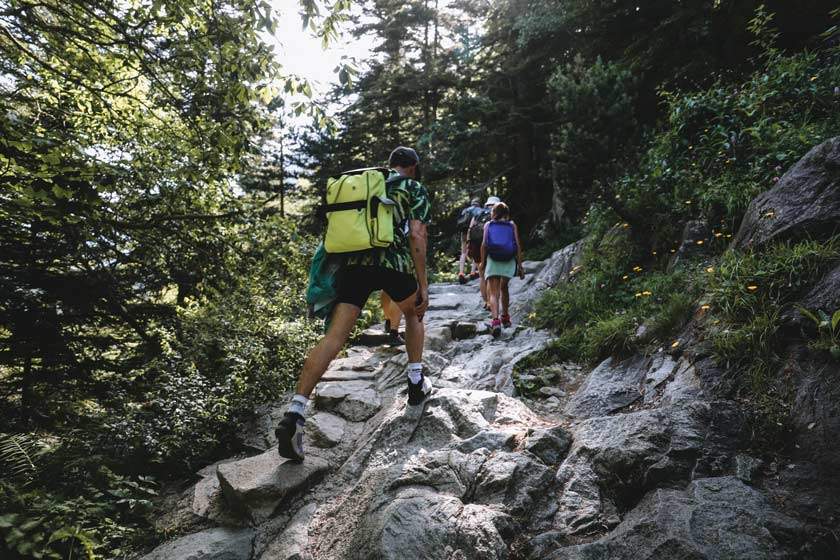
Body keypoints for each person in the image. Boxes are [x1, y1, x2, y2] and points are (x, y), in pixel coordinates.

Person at [275, 146, 432, 462]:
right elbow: (416, 235)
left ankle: (295, 412)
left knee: (334, 338)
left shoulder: (367, 183)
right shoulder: (413, 187)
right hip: (394, 263)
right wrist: (422, 283)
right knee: (415, 313)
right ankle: (416, 382)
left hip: (354, 266)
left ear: (389, 165)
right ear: (413, 167)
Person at [480, 202, 524, 338]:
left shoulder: (488, 225)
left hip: (493, 260)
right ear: (506, 213)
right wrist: (520, 265)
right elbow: (517, 245)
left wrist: (483, 262)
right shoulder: (512, 225)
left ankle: (495, 321)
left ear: (494, 213)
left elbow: (484, 245)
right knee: (504, 288)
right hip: (508, 261)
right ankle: (505, 316)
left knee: (493, 293)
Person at [468, 196, 499, 308]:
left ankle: (486, 302)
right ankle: (491, 302)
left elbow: (470, 229)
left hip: (476, 246)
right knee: (490, 275)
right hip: (489, 246)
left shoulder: (478, 213)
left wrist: (468, 245)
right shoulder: (496, 213)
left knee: (482, 276)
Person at [456, 199, 483, 284]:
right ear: (479, 204)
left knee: (464, 252)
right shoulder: (479, 210)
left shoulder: (465, 210)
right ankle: (472, 272)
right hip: (473, 233)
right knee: (475, 250)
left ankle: (461, 272)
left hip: (463, 232)